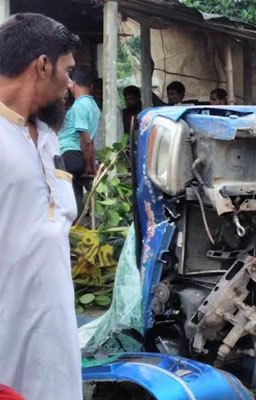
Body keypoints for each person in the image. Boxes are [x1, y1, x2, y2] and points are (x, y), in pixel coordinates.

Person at [0, 13, 82, 400]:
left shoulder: (47, 137)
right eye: (68, 71)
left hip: (55, 343)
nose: (71, 85)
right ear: (43, 65)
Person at [58, 66, 101, 216]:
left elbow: (86, 140)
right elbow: (91, 141)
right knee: (75, 200)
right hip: (79, 157)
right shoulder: (94, 107)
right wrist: (91, 165)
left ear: (72, 84)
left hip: (68, 155)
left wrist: (88, 167)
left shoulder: (79, 106)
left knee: (63, 200)